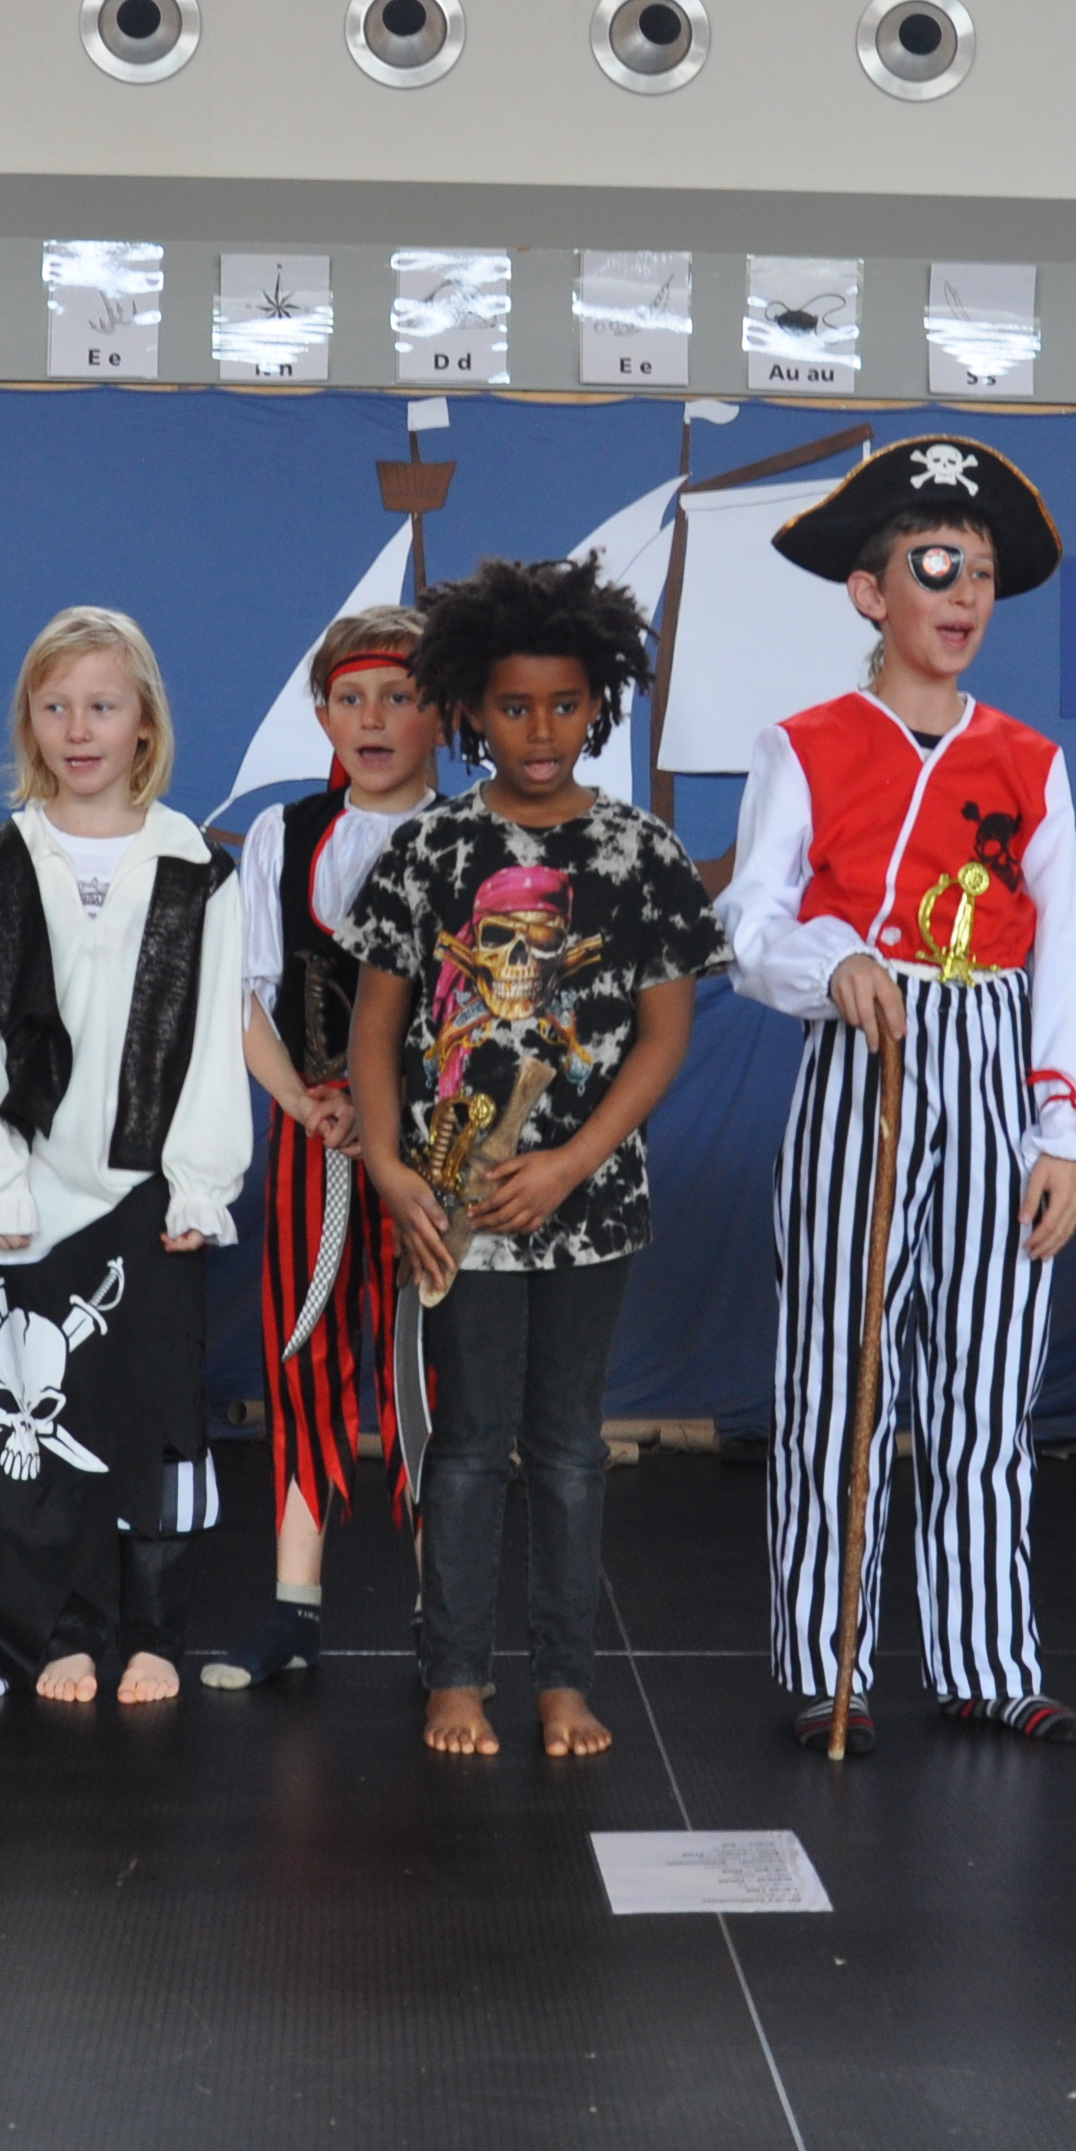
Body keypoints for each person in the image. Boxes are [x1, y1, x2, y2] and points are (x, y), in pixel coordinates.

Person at [722, 436, 1076, 1754]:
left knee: (989, 1379)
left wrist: (1064, 1129)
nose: (963, 594)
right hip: (864, 1055)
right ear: (869, 592)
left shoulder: (1029, 760)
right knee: (840, 1374)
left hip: (993, 1051)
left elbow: (1066, 955)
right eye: (935, 565)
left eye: (981, 572)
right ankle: (828, 1661)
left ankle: (987, 1659)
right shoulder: (806, 744)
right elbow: (752, 922)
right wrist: (831, 966)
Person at [343, 557, 724, 1760]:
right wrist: (392, 1168)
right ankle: (455, 1675)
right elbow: (373, 1028)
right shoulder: (430, 847)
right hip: (452, 1207)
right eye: (514, 707)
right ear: (468, 709)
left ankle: (564, 1679)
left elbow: (664, 1037)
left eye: (565, 704)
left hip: (589, 1205)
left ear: (598, 705)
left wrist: (570, 1165)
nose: (542, 730)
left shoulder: (640, 850)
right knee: (466, 1448)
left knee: (566, 1448)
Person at [0, 608, 249, 1708]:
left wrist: (200, 1183)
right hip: (27, 1189)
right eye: (56, 706)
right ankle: (58, 1624)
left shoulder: (198, 868)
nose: (79, 729)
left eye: (102, 706)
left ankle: (153, 1626)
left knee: (156, 1416)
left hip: (148, 1190)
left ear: (143, 723)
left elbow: (213, 1038)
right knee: (36, 1413)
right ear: (29, 721)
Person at [203, 605, 441, 1695]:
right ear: (322, 714)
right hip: (315, 1142)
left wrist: (396, 1113)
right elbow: (244, 995)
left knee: (428, 1376)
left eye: (399, 696)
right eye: (352, 698)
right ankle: (294, 1606)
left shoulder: (472, 836)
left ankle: (447, 1616)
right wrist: (305, 1105)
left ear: (441, 713)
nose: (374, 718)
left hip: (436, 1152)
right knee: (302, 1359)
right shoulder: (283, 836)